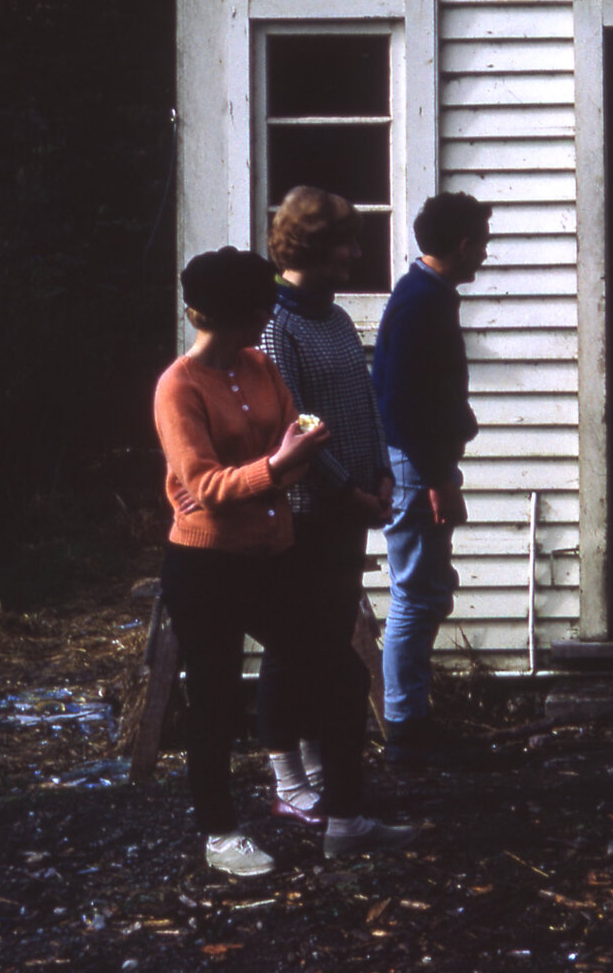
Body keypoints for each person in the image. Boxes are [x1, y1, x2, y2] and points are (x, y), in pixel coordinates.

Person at [154, 247, 413, 875]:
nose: (254, 329)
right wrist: (278, 466)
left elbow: (293, 426)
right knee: (214, 700)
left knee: (339, 674)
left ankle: (346, 822)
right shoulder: (178, 387)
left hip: (274, 554)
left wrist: (315, 446)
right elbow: (204, 488)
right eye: (244, 318)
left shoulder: (262, 365)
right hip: (206, 564)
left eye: (259, 314)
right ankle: (218, 834)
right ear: (200, 315)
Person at [256, 187, 395, 825]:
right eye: (347, 242)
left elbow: (363, 403)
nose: (356, 255)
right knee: (295, 646)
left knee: (332, 642)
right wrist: (347, 488)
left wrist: (383, 474)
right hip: (308, 511)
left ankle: (318, 769)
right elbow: (297, 420)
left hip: (351, 507)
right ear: (313, 245)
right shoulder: (276, 324)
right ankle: (286, 779)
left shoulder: (335, 318)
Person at [372, 191, 491, 766]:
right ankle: (405, 729)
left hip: (423, 462)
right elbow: (401, 403)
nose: (485, 257)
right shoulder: (422, 301)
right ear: (464, 245)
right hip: (417, 465)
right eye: (483, 245)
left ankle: (411, 718)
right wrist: (437, 475)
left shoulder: (427, 294)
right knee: (417, 595)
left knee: (425, 590)